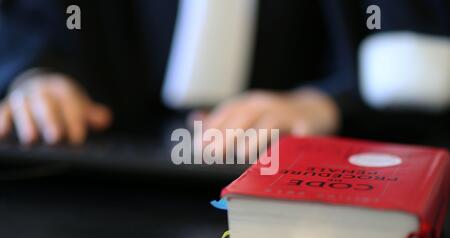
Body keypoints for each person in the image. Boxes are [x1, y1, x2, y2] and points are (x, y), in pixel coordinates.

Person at [0, 0, 448, 148]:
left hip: (290, 178)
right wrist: (35, 72)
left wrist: (329, 102)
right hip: (102, 163)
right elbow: (27, 18)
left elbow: (408, 49)